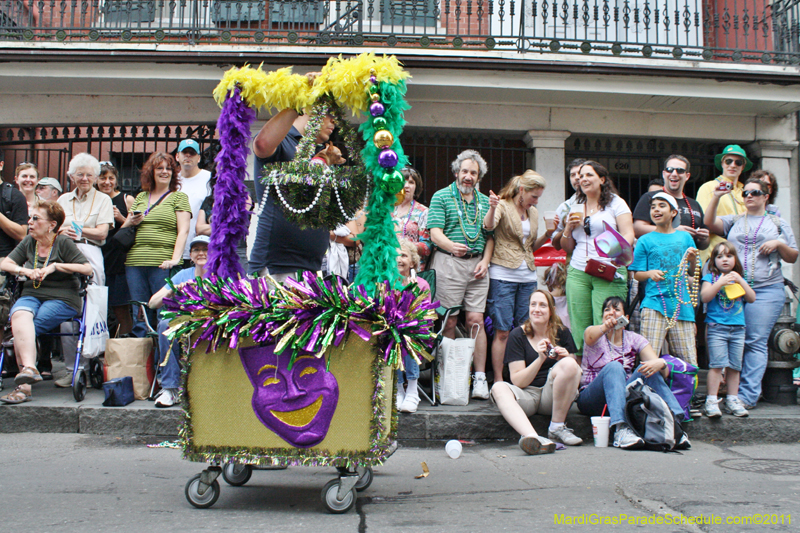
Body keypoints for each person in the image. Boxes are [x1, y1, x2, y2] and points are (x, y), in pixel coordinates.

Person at [704, 178, 798, 409]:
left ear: (766, 196)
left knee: (755, 340)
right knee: (732, 339)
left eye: (755, 192)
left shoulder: (777, 223)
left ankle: (747, 395)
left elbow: (793, 256)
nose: (749, 196)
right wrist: (716, 196)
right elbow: (708, 223)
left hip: (766, 289)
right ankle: (728, 393)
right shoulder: (735, 220)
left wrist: (778, 243)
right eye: (745, 192)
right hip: (731, 290)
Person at [0, 201, 92, 404]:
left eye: (35, 218)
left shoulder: (63, 243)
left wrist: (56, 266)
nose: (30, 222)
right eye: (30, 218)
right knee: (19, 316)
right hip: (32, 294)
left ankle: (24, 388)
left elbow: (87, 269)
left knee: (24, 330)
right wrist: (25, 271)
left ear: (51, 225)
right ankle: (31, 369)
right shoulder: (29, 241)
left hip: (62, 297)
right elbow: (5, 262)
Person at [249, 73, 333, 282]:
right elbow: (261, 145)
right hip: (277, 266)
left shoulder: (316, 151)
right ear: (308, 109)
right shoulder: (284, 140)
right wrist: (300, 99)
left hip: (312, 267)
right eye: (328, 113)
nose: (334, 121)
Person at [577, 296, 690, 450]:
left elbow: (662, 373)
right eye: (607, 310)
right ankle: (621, 429)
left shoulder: (634, 339)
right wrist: (606, 327)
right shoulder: (594, 334)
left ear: (626, 318)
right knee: (614, 367)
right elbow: (589, 336)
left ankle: (676, 426)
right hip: (592, 398)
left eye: (616, 310)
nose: (611, 313)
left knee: (649, 368)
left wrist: (661, 363)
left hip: (623, 395)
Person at [427, 149, 494, 399]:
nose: (468, 176)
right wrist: (450, 246)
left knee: (476, 320)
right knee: (450, 321)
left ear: (479, 177)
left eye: (473, 173)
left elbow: (490, 238)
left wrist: (486, 261)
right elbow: (435, 233)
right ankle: (450, 376)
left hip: (477, 267)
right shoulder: (441, 196)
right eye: (465, 171)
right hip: (449, 263)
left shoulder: (485, 202)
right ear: (457, 172)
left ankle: (479, 378)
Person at [490, 290, 583, 455]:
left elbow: (577, 371)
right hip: (527, 395)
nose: (537, 309)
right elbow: (518, 381)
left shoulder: (562, 332)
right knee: (498, 387)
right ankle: (532, 437)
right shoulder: (518, 335)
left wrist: (565, 357)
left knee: (570, 363)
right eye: (533, 304)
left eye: (542, 305)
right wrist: (540, 359)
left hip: (552, 396)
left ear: (551, 310)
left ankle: (557, 427)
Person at [484, 170, 554, 385]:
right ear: (522, 191)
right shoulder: (503, 206)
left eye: (539, 197)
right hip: (503, 273)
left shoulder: (532, 213)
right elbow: (488, 226)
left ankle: (522, 378)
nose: (536, 201)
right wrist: (492, 207)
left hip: (527, 276)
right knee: (503, 331)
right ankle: (498, 379)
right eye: (534, 196)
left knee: (527, 329)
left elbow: (530, 247)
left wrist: (548, 235)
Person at [560, 161, 634, 354]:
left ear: (602, 179)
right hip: (578, 270)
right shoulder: (574, 206)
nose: (583, 179)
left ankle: (609, 366)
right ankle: (583, 369)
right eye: (580, 176)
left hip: (608, 269)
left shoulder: (616, 203)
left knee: (608, 322)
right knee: (579, 324)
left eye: (589, 175)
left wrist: (613, 253)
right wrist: (567, 228)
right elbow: (567, 247)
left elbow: (629, 234)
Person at [123, 151, 191, 338]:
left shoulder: (179, 197)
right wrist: (133, 221)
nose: (164, 172)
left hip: (162, 262)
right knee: (139, 313)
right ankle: (141, 362)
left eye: (168, 168)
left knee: (163, 313)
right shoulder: (141, 197)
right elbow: (125, 227)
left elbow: (183, 230)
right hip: (135, 262)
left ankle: (162, 361)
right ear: (151, 172)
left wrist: (175, 259)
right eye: (159, 168)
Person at [629, 192, 700, 366]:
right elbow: (636, 273)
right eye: (653, 207)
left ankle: (685, 393)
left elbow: (694, 272)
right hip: (654, 303)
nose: (656, 210)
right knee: (648, 359)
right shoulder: (644, 240)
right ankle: (648, 393)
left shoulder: (686, 238)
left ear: (673, 212)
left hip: (681, 305)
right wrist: (649, 273)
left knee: (688, 360)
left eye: (662, 206)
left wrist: (692, 261)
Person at [148, 235, 209, 408]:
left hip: (211, 322)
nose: (201, 253)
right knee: (164, 325)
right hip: (184, 321)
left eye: (205, 249)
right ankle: (170, 388)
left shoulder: (219, 276)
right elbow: (152, 303)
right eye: (196, 250)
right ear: (190, 255)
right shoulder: (183, 275)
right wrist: (172, 291)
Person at [700, 242, 756, 418]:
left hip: (738, 328)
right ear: (713, 261)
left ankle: (733, 399)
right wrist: (720, 282)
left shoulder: (739, 277)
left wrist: (740, 280)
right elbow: (705, 297)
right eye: (719, 256)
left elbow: (752, 298)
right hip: (717, 327)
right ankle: (712, 400)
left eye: (729, 256)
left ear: (735, 259)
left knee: (735, 366)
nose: (725, 259)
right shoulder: (710, 278)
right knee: (716, 365)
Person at [57, 153, 115, 286]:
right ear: (72, 177)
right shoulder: (63, 199)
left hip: (89, 248)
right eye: (80, 174)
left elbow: (102, 233)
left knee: (94, 290)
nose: (84, 179)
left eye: (89, 175)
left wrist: (75, 230)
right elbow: (52, 228)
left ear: (95, 178)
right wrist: (61, 231)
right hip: (63, 249)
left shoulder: (103, 199)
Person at [632, 155, 710, 251]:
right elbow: (638, 229)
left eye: (680, 170)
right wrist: (673, 230)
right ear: (664, 174)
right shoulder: (650, 197)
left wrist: (704, 238)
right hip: (656, 260)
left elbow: (703, 245)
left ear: (687, 176)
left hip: (686, 262)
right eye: (670, 170)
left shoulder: (694, 204)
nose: (674, 173)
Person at [96, 162, 135, 335]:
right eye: (102, 178)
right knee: (97, 308)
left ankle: (125, 346)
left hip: (119, 261)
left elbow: (136, 228)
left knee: (121, 308)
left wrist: (120, 218)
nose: (107, 182)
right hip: (98, 258)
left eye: (110, 178)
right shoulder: (93, 200)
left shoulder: (126, 199)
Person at [695, 145, 750, 262]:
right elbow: (703, 225)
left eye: (738, 162)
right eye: (728, 161)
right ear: (722, 163)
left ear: (743, 166)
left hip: (741, 258)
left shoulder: (745, 191)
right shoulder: (708, 187)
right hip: (715, 257)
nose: (733, 165)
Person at [395, 238, 432, 414]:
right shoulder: (387, 282)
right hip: (391, 333)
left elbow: (426, 317)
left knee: (406, 334)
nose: (398, 259)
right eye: (395, 255)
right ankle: (398, 390)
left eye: (403, 255)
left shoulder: (421, 284)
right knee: (393, 334)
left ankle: (412, 388)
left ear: (412, 262)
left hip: (416, 333)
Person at [196, 174, 252, 273]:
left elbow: (236, 224)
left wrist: (214, 226)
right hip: (212, 251)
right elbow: (199, 229)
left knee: (240, 286)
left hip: (236, 251)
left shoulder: (244, 197)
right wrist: (222, 225)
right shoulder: (209, 200)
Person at [175, 139, 212, 267]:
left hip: (202, 250)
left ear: (199, 158)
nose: (188, 156)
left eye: (192, 153)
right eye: (185, 152)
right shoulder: (172, 181)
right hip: (175, 250)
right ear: (177, 156)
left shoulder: (209, 179)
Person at [392, 166, 431, 270]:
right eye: (403, 181)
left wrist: (405, 247)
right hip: (389, 266)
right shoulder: (387, 209)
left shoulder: (423, 212)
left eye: (411, 182)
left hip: (412, 270)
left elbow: (427, 247)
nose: (406, 186)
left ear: (416, 187)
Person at [551, 158, 585, 251]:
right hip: (575, 261)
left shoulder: (607, 201)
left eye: (580, 173)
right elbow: (556, 244)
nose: (577, 177)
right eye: (572, 175)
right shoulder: (565, 207)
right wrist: (567, 228)